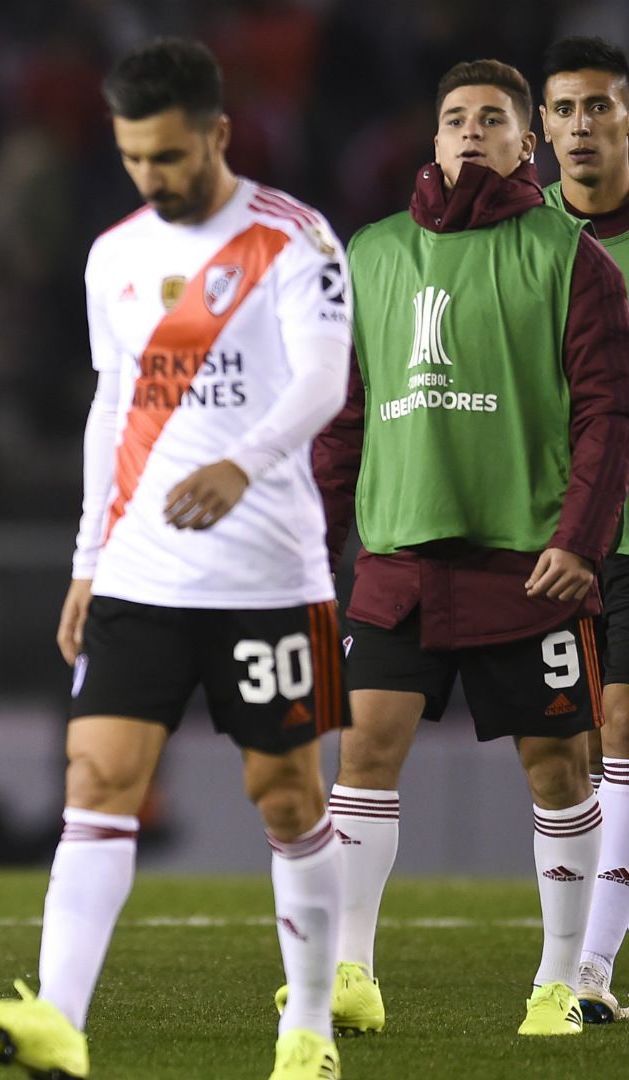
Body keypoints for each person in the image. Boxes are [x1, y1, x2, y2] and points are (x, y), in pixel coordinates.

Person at [0, 39, 353, 1080]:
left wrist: (244, 462)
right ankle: (60, 1021)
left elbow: (324, 384)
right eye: (134, 157)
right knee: (99, 779)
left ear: (218, 134)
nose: (151, 178)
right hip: (141, 571)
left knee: (289, 796)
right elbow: (113, 413)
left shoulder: (297, 242)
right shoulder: (115, 254)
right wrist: (88, 559)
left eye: (169, 156)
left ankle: (307, 1027)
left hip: (268, 573)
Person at [311, 57, 629, 1038]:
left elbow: (608, 417)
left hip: (525, 563)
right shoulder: (370, 253)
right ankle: (352, 972)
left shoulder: (571, 259)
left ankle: (560, 980)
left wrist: (580, 539)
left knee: (560, 768)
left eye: (494, 119)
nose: (472, 134)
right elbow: (341, 418)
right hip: (400, 557)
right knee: (363, 751)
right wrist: (310, 545)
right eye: (456, 119)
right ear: (434, 138)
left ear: (523, 143)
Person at [539, 34, 629, 1025]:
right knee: (571, 754)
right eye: (563, 110)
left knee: (618, 731)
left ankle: (589, 972)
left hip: (625, 533)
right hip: (550, 536)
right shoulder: (522, 242)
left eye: (598, 107)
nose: (579, 127)